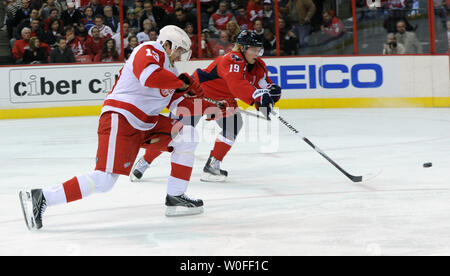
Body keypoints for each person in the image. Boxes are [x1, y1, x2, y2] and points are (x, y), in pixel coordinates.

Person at [19, 25, 205, 231]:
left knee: (187, 135)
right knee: (105, 180)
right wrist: (183, 85)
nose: (180, 56)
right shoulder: (149, 49)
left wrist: (202, 100)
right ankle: (41, 197)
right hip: (121, 117)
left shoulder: (173, 72)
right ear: (167, 44)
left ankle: (176, 197)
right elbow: (150, 77)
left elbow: (178, 106)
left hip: (146, 123)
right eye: (179, 50)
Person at [130, 30, 281, 183]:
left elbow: (263, 85)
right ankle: (145, 162)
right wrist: (257, 97)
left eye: (258, 50)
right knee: (174, 133)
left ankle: (212, 165)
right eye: (253, 50)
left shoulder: (258, 65)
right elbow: (237, 85)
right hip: (197, 95)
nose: (257, 53)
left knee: (234, 124)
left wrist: (271, 96)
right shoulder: (232, 59)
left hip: (223, 99)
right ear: (242, 48)